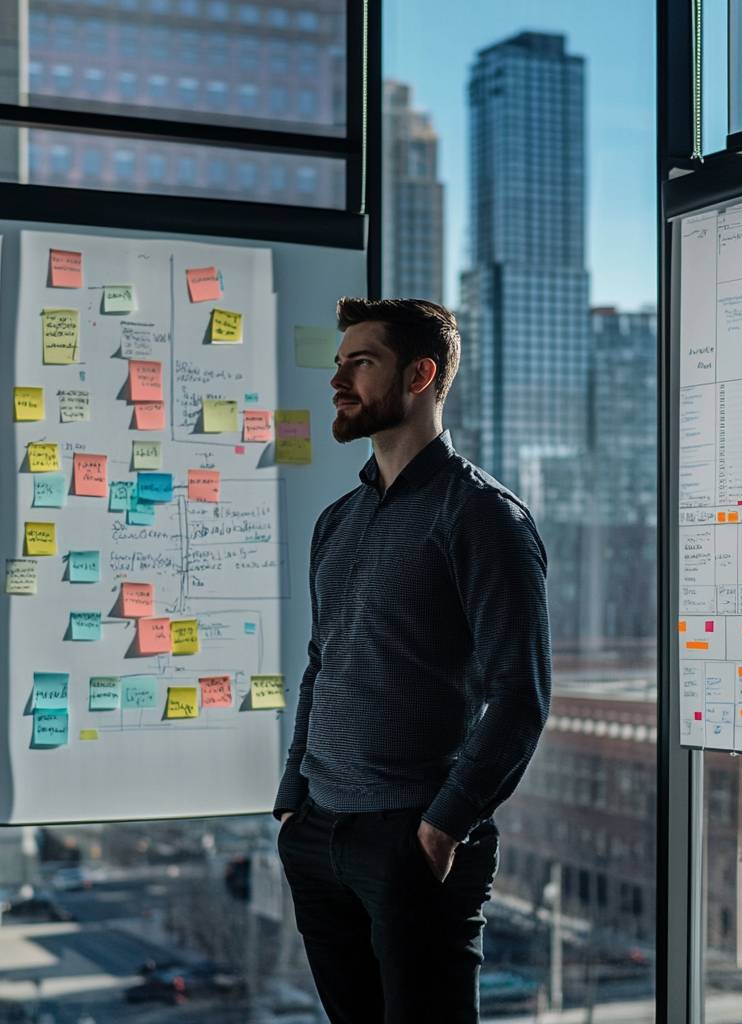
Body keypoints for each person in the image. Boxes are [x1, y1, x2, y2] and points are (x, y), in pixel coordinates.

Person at [274, 297, 551, 1023]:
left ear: (421, 374)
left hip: (411, 844)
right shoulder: (338, 520)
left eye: (360, 363)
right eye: (339, 364)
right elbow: (320, 663)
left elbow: (520, 695)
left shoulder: (483, 516)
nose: (339, 381)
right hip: (319, 834)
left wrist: (440, 829)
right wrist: (290, 798)